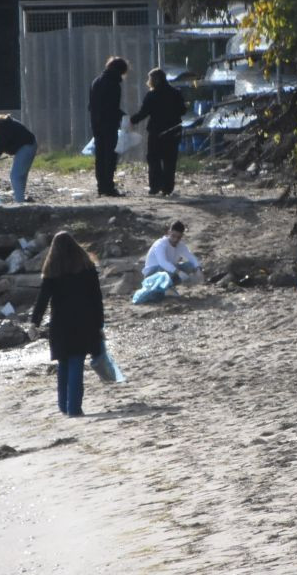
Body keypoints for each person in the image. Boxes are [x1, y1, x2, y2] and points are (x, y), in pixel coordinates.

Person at [31, 231, 105, 418]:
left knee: (64, 364)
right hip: (84, 323)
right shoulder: (87, 267)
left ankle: (64, 407)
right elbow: (97, 299)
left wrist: (34, 322)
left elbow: (42, 299)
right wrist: (99, 325)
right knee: (76, 364)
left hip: (60, 325)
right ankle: (74, 409)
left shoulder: (52, 271)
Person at [129, 68, 187, 196]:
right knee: (170, 160)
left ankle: (155, 186)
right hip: (174, 131)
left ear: (155, 79)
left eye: (150, 79)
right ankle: (167, 188)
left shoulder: (152, 95)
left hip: (157, 132)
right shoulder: (176, 93)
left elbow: (144, 112)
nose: (148, 82)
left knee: (154, 159)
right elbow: (183, 110)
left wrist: (132, 121)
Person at [89, 56, 128, 197]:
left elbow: (92, 105)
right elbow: (112, 107)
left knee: (100, 155)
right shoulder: (113, 83)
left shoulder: (96, 81)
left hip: (96, 123)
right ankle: (109, 187)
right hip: (109, 124)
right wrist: (124, 116)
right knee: (110, 155)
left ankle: (101, 187)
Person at [0, 112, 38, 203]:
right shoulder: (0, 124)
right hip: (29, 145)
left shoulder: (0, 127)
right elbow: (0, 143)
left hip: (26, 147)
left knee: (15, 176)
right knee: (20, 176)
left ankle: (19, 203)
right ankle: (21, 200)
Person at [142, 220, 202, 289]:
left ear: (182, 236)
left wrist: (198, 269)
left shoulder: (180, 245)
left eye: (178, 237)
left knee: (189, 265)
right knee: (167, 269)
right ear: (169, 232)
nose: (175, 239)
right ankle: (164, 288)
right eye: (173, 236)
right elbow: (163, 262)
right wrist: (179, 272)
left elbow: (191, 257)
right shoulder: (160, 244)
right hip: (153, 275)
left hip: (170, 272)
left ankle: (173, 286)